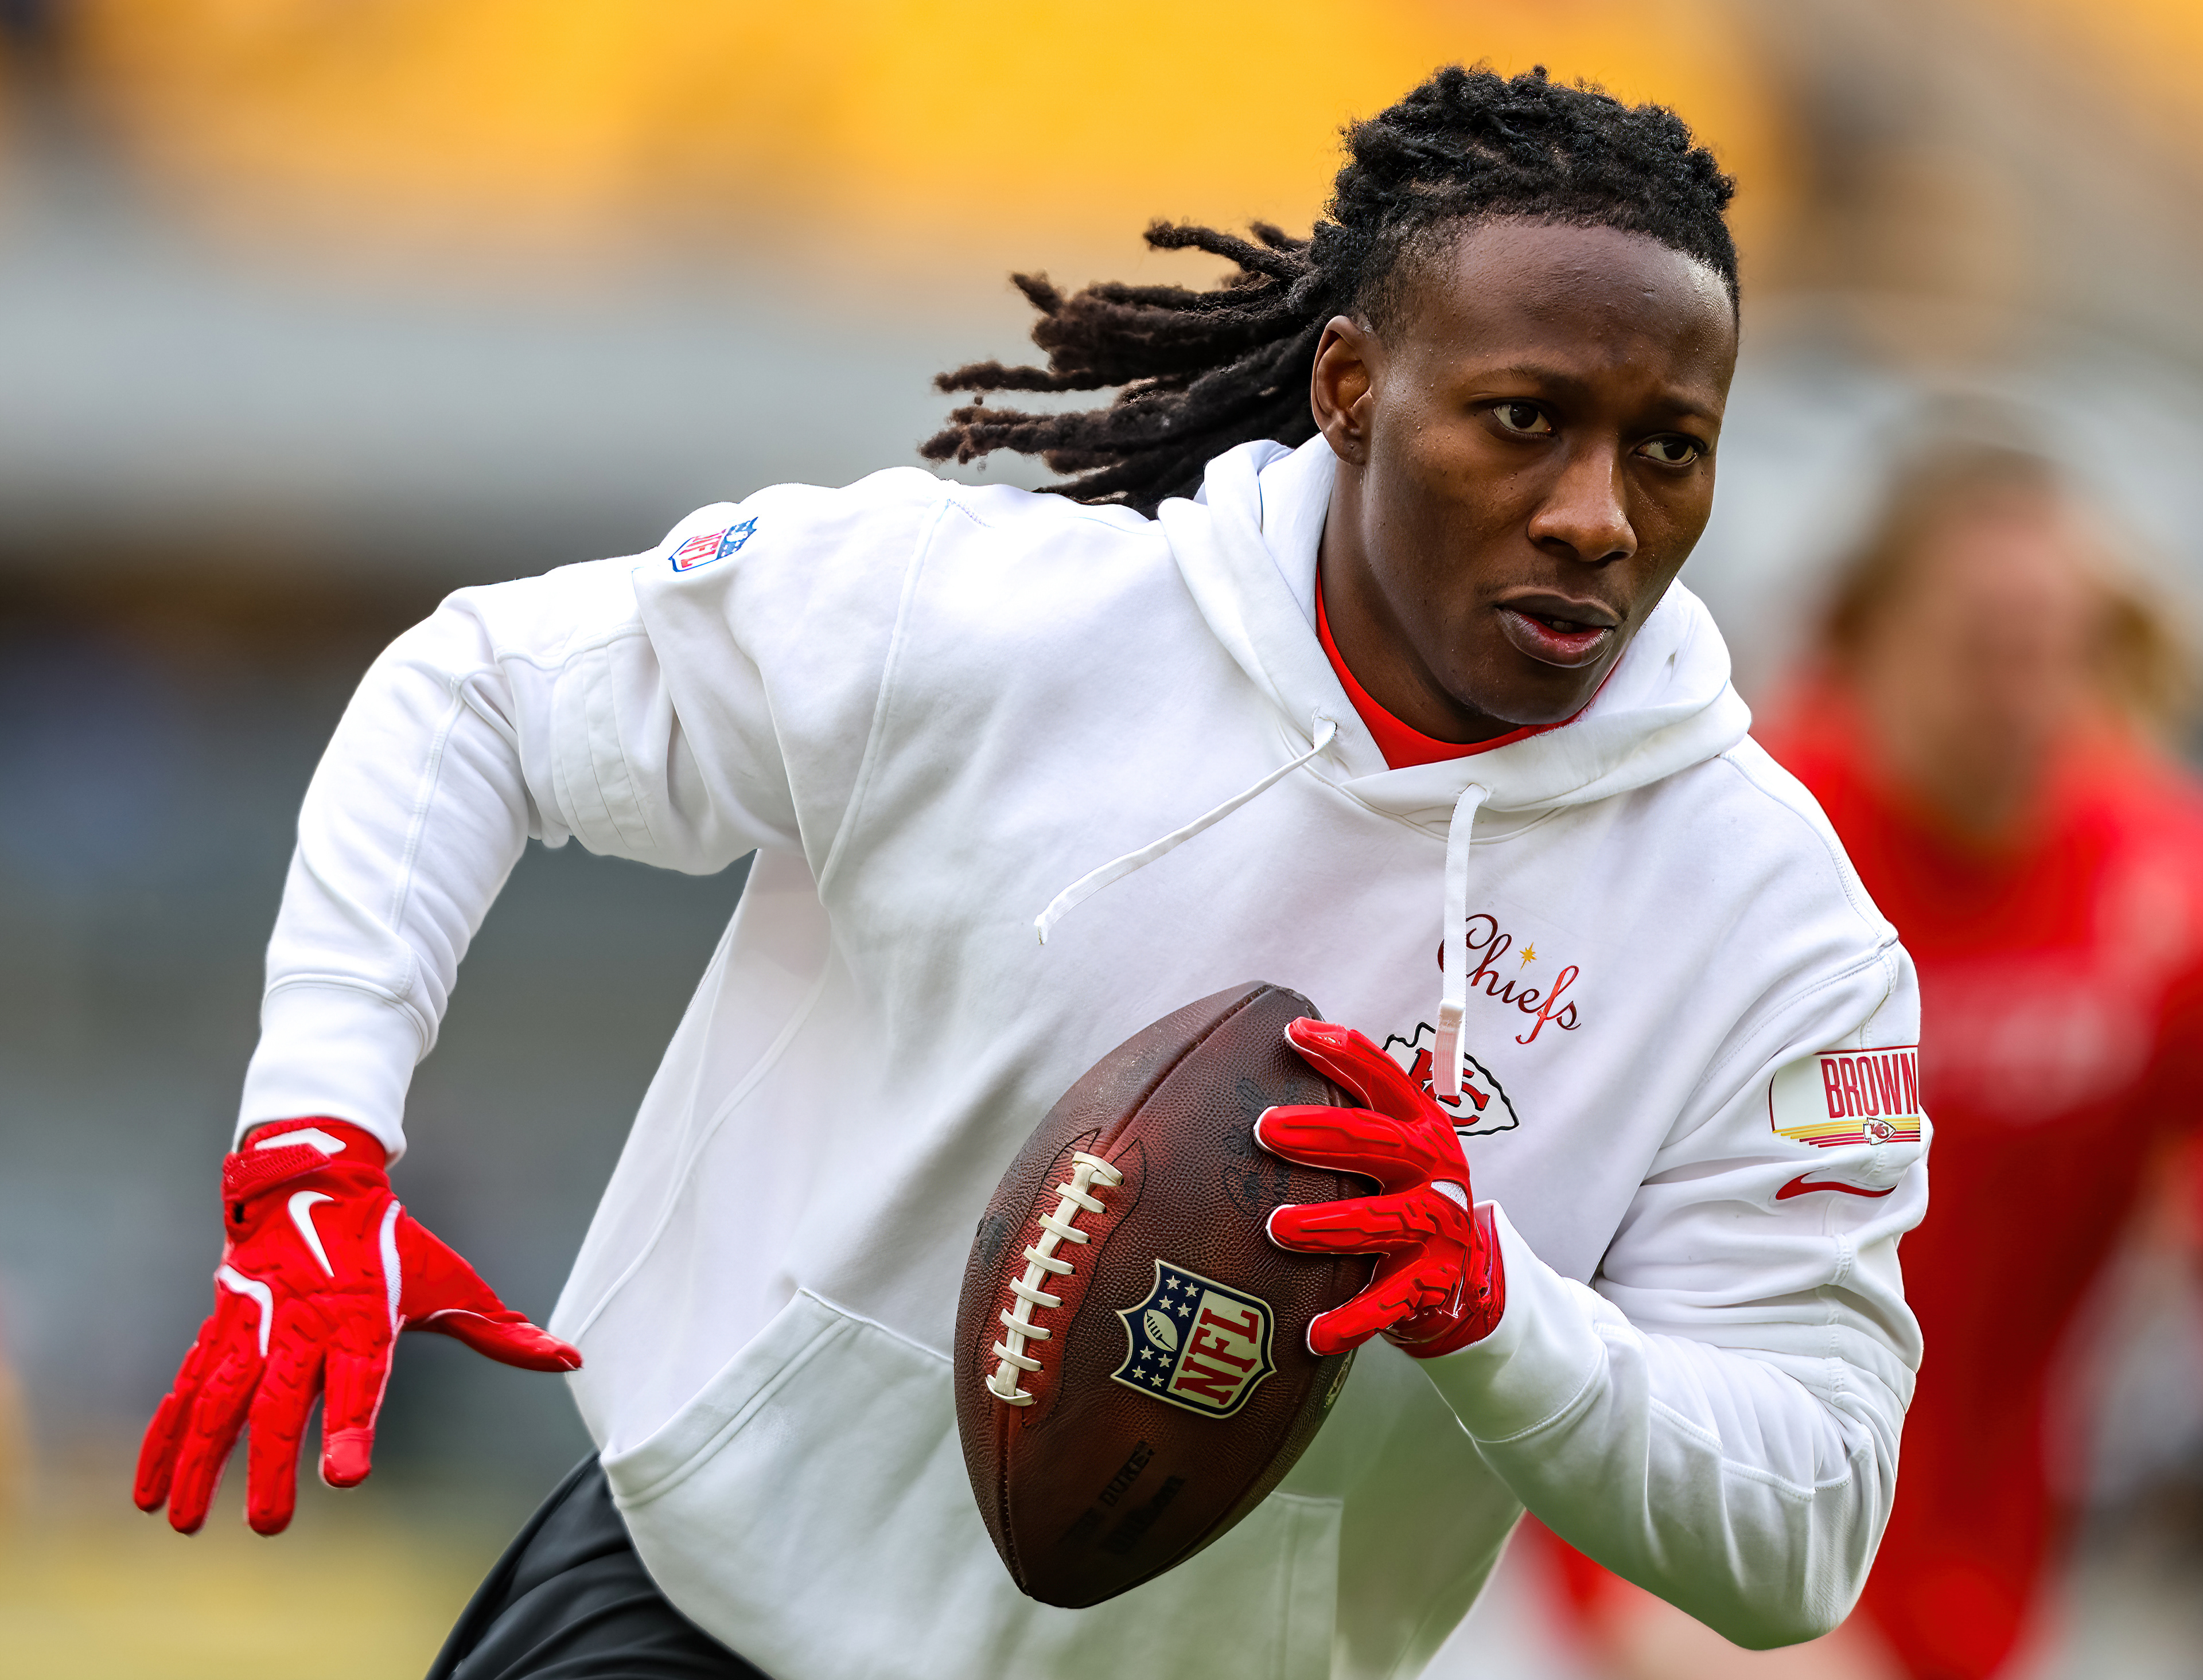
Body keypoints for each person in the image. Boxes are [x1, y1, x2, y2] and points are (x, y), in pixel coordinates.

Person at [133, 67, 1929, 1680]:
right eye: (1526, 419)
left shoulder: (1775, 930)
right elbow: (475, 693)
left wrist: (1494, 1305)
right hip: (698, 1627)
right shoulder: (992, 621)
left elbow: (1809, 1529)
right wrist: (313, 1142)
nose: (1599, 514)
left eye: (1667, 448)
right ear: (1352, 390)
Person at [1533, 441, 2203, 1680]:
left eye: (2056, 649)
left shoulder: (2158, 890)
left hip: (1982, 1575)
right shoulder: (1750, 854)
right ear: (1869, 637)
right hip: (1682, 1529)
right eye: (1982, 648)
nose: (2022, 696)